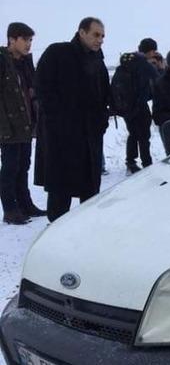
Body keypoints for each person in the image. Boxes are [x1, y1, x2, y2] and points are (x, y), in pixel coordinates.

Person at [34, 17, 111, 222]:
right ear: (81, 32)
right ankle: (56, 232)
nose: (100, 40)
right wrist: (58, 120)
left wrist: (102, 120)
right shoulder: (58, 53)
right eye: (96, 34)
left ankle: (86, 230)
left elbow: (105, 95)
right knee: (61, 189)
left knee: (90, 190)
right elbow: (42, 88)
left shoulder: (98, 61)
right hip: (63, 137)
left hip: (90, 137)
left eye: (103, 36)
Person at [1, 22, 46, 224]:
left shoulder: (25, 62)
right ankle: (10, 209)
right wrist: (3, 128)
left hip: (25, 124)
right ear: (12, 39)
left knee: (23, 165)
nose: (29, 44)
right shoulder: (2, 61)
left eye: (30, 40)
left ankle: (25, 204)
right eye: (25, 40)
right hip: (9, 127)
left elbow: (32, 91)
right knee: (10, 168)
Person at [115, 38, 160, 174]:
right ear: (151, 50)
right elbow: (159, 80)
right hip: (140, 106)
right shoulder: (144, 64)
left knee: (133, 134)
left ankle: (131, 162)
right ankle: (147, 164)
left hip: (126, 107)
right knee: (144, 136)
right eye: (154, 51)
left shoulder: (127, 62)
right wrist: (159, 66)